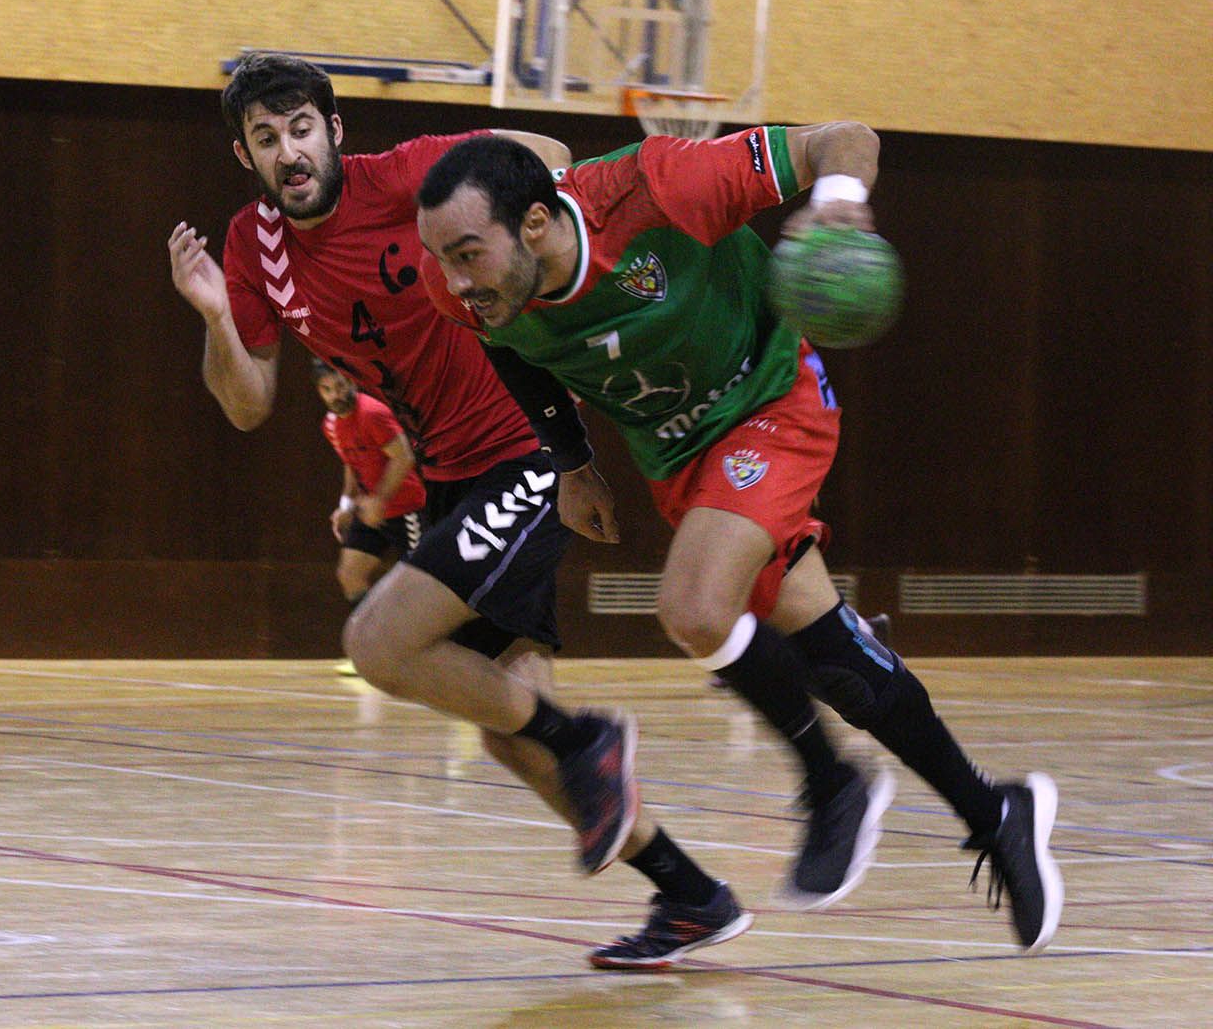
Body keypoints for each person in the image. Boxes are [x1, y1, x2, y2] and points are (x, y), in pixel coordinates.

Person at [414, 130, 1064, 955]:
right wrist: (573, 461)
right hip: (680, 456)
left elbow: (845, 138)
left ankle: (832, 785)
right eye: (442, 258)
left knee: (692, 605)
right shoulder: (471, 294)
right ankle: (993, 810)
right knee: (832, 655)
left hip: (773, 402)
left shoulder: (660, 188)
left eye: (468, 254)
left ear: (536, 222)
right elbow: (514, 356)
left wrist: (837, 207)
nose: (455, 281)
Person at [169, 52, 753, 969]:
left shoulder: (408, 176)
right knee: (512, 735)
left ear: (335, 131)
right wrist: (211, 315)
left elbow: (548, 149)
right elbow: (245, 403)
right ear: (245, 155)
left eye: (301, 129)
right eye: (266, 138)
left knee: (377, 643)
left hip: (521, 451)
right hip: (449, 478)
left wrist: (514, 242)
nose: (289, 151)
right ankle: (691, 893)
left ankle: (590, 738)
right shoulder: (254, 246)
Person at [313, 357, 427, 606]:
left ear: (352, 382)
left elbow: (404, 456)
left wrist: (379, 500)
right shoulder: (331, 425)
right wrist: (345, 505)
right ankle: (371, 639)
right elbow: (351, 464)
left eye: (341, 386)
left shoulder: (372, 413)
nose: (336, 396)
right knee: (349, 575)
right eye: (327, 389)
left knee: (422, 585)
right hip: (369, 513)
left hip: (406, 510)